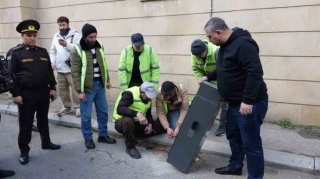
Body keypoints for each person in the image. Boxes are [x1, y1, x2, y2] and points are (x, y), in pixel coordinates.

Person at [200, 17, 268, 179]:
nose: (209, 40)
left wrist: (248, 101)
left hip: (249, 104)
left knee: (251, 145)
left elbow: (255, 73)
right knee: (234, 137)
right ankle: (236, 166)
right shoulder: (224, 46)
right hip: (234, 104)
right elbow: (224, 68)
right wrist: (208, 77)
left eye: (209, 37)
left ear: (218, 32)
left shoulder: (243, 44)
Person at [9, 19, 61, 165]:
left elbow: (49, 72)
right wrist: (16, 94)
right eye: (29, 35)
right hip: (26, 94)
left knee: (43, 120)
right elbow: (11, 76)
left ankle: (46, 142)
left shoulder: (43, 52)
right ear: (22, 36)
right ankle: (24, 151)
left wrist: (52, 88)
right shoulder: (16, 53)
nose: (32, 38)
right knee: (26, 124)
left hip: (43, 92)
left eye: (34, 35)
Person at [70, 23, 116, 149]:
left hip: (100, 85)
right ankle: (88, 138)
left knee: (103, 112)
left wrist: (107, 80)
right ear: (84, 37)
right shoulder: (77, 50)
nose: (93, 39)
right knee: (86, 115)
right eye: (90, 37)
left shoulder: (99, 46)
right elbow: (75, 73)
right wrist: (80, 91)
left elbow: (103, 65)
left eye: (95, 36)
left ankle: (103, 135)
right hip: (87, 89)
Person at [113, 82, 165, 159]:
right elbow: (120, 109)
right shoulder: (129, 93)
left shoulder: (147, 98)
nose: (149, 98)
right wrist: (137, 114)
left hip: (138, 123)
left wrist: (150, 124)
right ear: (141, 92)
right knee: (128, 121)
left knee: (160, 126)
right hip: (122, 122)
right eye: (147, 96)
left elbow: (148, 114)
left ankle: (133, 135)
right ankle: (130, 147)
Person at [190, 39, 227, 136]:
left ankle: (223, 126)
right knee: (206, 102)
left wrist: (221, 85)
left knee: (225, 104)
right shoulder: (194, 55)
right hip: (208, 81)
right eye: (196, 55)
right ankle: (204, 124)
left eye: (199, 55)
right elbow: (196, 69)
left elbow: (223, 70)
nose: (197, 57)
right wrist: (202, 80)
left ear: (205, 50)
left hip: (221, 80)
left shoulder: (216, 51)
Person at [50, 16, 81, 117]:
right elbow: (53, 51)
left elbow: (79, 49)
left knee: (76, 89)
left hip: (72, 68)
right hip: (60, 68)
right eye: (60, 25)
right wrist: (52, 62)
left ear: (68, 24)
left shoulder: (75, 35)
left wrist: (67, 45)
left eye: (64, 25)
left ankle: (78, 107)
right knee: (63, 90)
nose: (62, 27)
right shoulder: (56, 36)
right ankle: (66, 106)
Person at [6, 44, 39, 132]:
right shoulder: (14, 52)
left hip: (31, 86)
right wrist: (15, 92)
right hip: (21, 86)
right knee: (23, 109)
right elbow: (11, 73)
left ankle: (29, 125)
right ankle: (24, 128)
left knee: (30, 108)